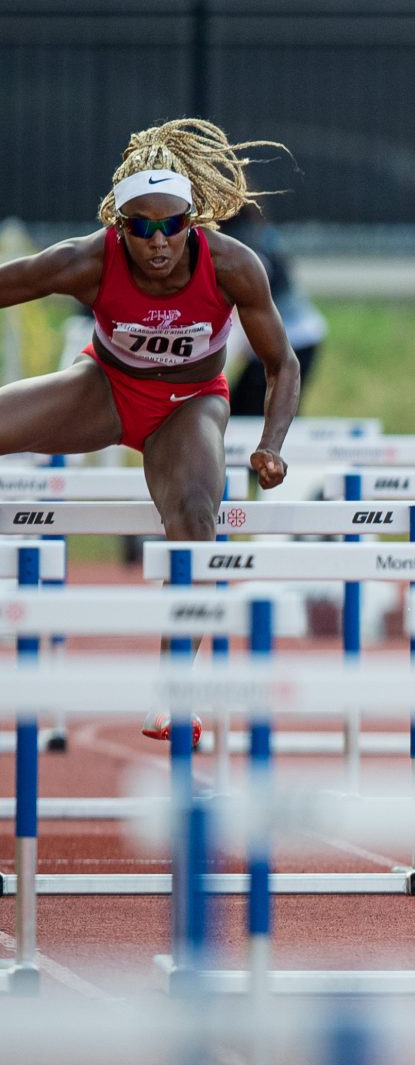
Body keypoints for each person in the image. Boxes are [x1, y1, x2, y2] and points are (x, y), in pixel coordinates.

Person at [0, 119, 302, 744]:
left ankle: (172, 692)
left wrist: (271, 444)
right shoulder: (84, 261)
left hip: (188, 407)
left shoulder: (233, 266)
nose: (158, 241)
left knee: (196, 512)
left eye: (172, 226)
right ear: (120, 227)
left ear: (193, 223)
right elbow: (16, 280)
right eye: (142, 228)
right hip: (104, 391)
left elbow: (283, 363)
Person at [227, 201, 327, 417]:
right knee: (269, 410)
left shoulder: (238, 245)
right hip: (306, 331)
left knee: (256, 413)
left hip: (290, 337)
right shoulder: (260, 231)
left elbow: (242, 305)